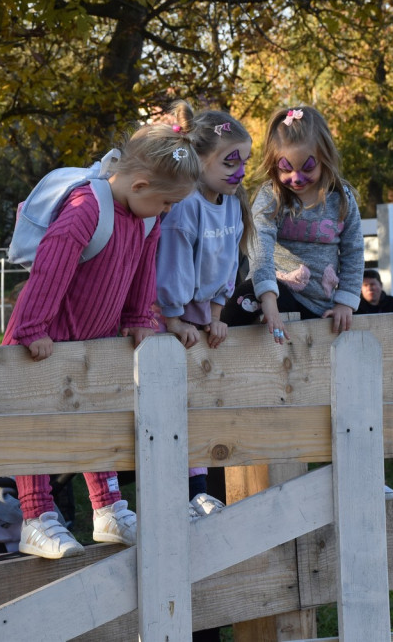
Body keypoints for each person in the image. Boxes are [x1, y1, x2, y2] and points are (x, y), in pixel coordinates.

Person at [3, 110, 201, 559]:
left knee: (102, 416)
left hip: (94, 339)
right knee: (33, 423)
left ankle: (108, 507)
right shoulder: (87, 209)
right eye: (167, 203)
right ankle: (36, 517)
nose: (168, 213)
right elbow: (51, 265)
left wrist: (139, 317)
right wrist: (33, 327)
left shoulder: (147, 217)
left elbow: (141, 271)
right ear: (139, 186)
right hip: (44, 337)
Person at [155, 104, 256, 516]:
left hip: (198, 316)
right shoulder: (186, 206)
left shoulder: (231, 203)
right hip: (167, 316)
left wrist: (217, 315)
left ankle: (197, 490)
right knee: (170, 406)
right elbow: (173, 266)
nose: (240, 171)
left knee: (197, 401)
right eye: (230, 161)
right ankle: (178, 493)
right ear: (200, 160)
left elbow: (228, 264)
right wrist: (175, 320)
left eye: (245, 161)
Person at [219, 105, 364, 342]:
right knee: (245, 294)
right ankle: (219, 341)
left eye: (308, 167)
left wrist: (345, 303)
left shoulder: (341, 198)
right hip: (276, 294)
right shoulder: (271, 197)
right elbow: (260, 249)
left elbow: (354, 251)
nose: (296, 178)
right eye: (286, 168)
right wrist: (268, 298)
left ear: (324, 158)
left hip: (321, 305)